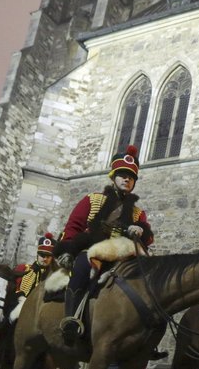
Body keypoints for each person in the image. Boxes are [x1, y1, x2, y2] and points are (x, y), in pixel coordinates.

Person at [54, 146, 161, 356]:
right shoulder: (93, 200)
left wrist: (141, 230)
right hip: (95, 251)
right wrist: (68, 248)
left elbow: (148, 239)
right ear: (113, 177)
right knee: (83, 266)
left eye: (131, 177)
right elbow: (73, 226)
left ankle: (148, 334)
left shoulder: (138, 213)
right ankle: (71, 319)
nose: (127, 180)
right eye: (122, 175)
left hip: (123, 256)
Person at [13, 233, 55, 300]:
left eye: (48, 256)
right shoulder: (22, 269)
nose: (45, 259)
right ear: (37, 255)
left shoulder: (52, 277)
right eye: (42, 255)